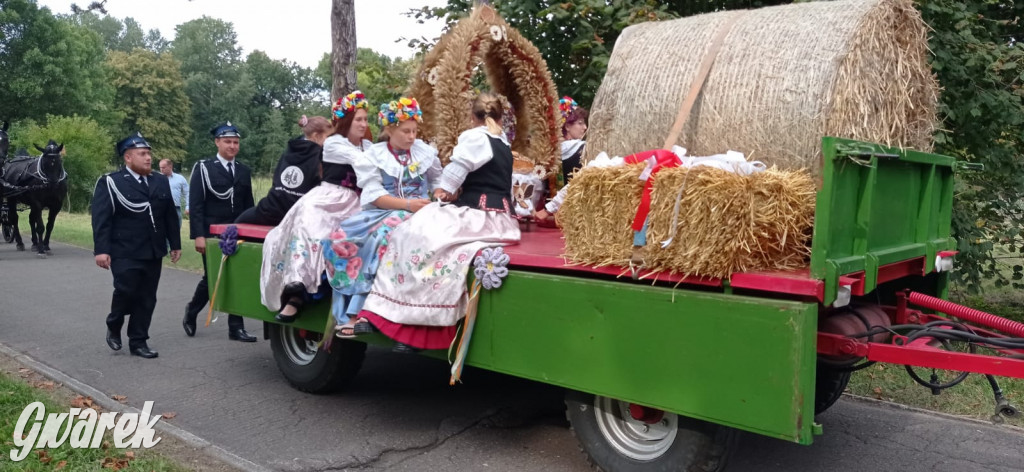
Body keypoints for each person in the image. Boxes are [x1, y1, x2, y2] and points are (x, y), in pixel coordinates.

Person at [353, 93, 521, 352]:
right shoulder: (502, 143)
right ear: (499, 117)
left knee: (413, 234)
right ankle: (408, 321)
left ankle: (397, 315)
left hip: (476, 215)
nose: (411, 136)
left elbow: (452, 176)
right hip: (500, 219)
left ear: (472, 117)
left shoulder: (474, 137)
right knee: (434, 241)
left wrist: (443, 192)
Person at [322, 96, 440, 336]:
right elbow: (374, 195)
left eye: (414, 131)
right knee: (342, 236)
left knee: (387, 234)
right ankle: (355, 309)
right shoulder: (374, 155)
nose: (411, 137)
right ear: (390, 129)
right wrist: (407, 204)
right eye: (406, 131)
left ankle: (359, 312)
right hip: (386, 210)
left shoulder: (424, 152)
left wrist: (439, 191)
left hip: (420, 212)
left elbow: (439, 178)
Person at [260, 92, 374, 322]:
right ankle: (296, 286)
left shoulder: (369, 146)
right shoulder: (334, 143)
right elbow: (364, 162)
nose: (363, 124)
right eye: (358, 119)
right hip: (329, 198)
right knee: (310, 225)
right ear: (346, 121)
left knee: (355, 238)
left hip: (358, 201)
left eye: (365, 119)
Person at [92, 133, 182, 359]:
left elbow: (170, 215)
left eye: (149, 153)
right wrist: (101, 250)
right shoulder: (112, 182)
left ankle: (138, 341)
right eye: (143, 154)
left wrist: (175, 244)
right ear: (128, 157)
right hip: (124, 250)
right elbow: (102, 218)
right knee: (126, 290)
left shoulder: (160, 180)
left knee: (147, 297)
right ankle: (114, 322)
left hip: (153, 249)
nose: (148, 158)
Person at [182, 122, 257, 342]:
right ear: (217, 142)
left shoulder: (243, 170)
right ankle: (192, 310)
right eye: (228, 141)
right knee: (213, 277)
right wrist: (198, 235)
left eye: (235, 142)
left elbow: (248, 204)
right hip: (212, 233)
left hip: (238, 231)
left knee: (238, 277)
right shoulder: (204, 168)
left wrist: (252, 230)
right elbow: (196, 204)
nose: (232, 146)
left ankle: (236, 327)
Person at [235, 115, 332, 226]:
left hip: (270, 208)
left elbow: (276, 179)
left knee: (237, 223)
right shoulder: (322, 156)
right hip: (300, 215)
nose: (330, 140)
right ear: (316, 136)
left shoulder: (289, 150)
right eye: (328, 136)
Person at [535, 97, 588, 222]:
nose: (585, 127)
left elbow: (535, 181)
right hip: (577, 217)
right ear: (567, 126)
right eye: (580, 123)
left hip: (549, 219)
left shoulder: (547, 153)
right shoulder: (584, 149)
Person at [158, 159, 189, 227]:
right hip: (160, 209)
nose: (161, 169)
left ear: (170, 166)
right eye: (160, 167)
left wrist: (188, 206)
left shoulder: (180, 179)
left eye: (163, 167)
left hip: (175, 209)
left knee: (175, 233)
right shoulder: (156, 179)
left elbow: (187, 193)